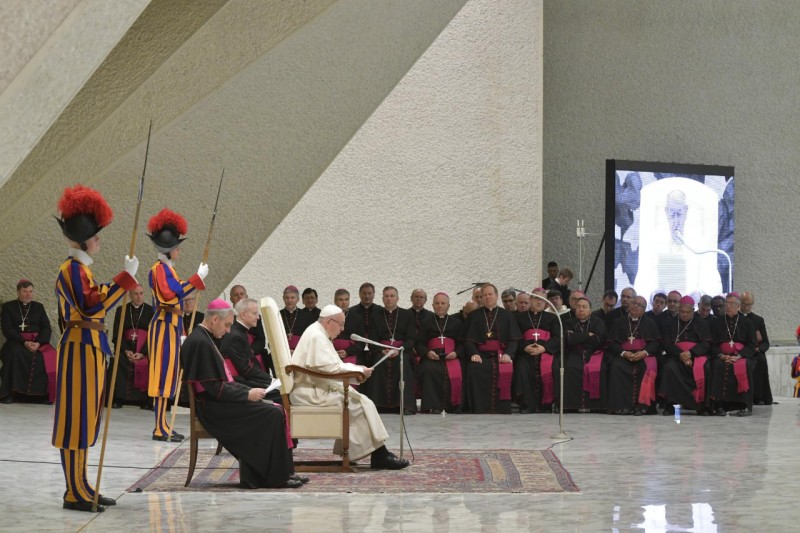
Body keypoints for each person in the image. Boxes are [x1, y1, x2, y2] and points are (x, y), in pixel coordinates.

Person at [53, 184, 139, 512]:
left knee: (87, 420)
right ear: (84, 239)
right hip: (79, 348)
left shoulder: (81, 269)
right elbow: (92, 304)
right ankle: (73, 491)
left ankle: (82, 485)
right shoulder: (71, 270)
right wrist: (124, 279)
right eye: (95, 235)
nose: (99, 240)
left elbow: (95, 297)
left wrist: (122, 280)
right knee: (76, 420)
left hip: (89, 347)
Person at [181, 299, 304, 488]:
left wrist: (248, 391)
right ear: (215, 319)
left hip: (219, 402)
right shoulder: (200, 342)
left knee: (276, 410)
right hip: (213, 409)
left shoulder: (205, 338)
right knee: (272, 413)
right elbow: (214, 388)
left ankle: (283, 473)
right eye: (227, 325)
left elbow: (223, 383)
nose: (228, 330)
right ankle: (272, 477)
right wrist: (247, 395)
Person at [289, 305, 409, 469]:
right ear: (329, 322)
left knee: (362, 401)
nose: (342, 329)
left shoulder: (317, 332)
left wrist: (358, 370)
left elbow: (329, 366)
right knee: (359, 404)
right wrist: (359, 371)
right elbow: (329, 368)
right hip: (310, 392)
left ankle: (379, 454)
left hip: (315, 386)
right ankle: (379, 455)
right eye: (340, 324)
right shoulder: (317, 336)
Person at [146, 208, 208, 442]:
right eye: (177, 247)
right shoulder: (159, 270)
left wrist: (196, 281)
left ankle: (163, 424)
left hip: (172, 324)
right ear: (169, 249)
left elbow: (181, 288)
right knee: (162, 376)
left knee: (169, 376)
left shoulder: (168, 269)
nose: (179, 250)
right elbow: (172, 292)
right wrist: (197, 278)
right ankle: (159, 427)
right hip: (163, 325)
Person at [462, 284, 521, 414]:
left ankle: (502, 408)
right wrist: (473, 353)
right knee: (473, 368)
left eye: (490, 294)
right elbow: (468, 340)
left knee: (507, 368)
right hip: (481, 355)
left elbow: (514, 340)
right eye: (484, 295)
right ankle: (479, 407)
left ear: (496, 296)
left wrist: (508, 354)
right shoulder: (474, 316)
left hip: (501, 354)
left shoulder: (507, 315)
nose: (488, 297)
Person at [0, 279, 56, 404]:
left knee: (51, 355)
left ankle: (42, 395)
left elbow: (46, 328)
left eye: (30, 291)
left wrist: (39, 342)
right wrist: (23, 342)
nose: (28, 294)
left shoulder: (39, 307)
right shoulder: (8, 307)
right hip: (16, 342)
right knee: (15, 353)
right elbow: (7, 328)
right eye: (25, 291)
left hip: (37, 342)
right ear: (18, 292)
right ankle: (10, 394)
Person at [362, 286, 416, 413]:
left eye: (392, 296)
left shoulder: (407, 315)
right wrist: (382, 350)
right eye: (386, 296)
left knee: (403, 363)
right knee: (378, 361)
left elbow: (411, 339)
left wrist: (399, 350)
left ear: (397, 298)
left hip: (401, 351)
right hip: (382, 351)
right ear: (382, 299)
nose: (389, 299)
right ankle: (378, 405)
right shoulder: (375, 316)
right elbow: (372, 339)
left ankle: (404, 405)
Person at [605, 296, 661, 415]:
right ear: (629, 305)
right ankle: (621, 406)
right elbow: (611, 343)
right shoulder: (619, 322)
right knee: (616, 367)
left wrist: (644, 352)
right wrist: (623, 353)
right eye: (634, 303)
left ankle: (642, 407)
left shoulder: (650, 323)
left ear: (644, 309)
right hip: (623, 355)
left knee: (646, 368)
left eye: (639, 305)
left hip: (643, 356)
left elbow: (656, 343)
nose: (636, 306)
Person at [658, 296, 712, 415]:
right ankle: (671, 405)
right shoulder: (669, 323)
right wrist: (680, 355)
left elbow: (706, 343)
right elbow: (666, 343)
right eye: (682, 311)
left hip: (696, 356)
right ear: (678, 309)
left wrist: (690, 354)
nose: (684, 314)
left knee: (706, 368)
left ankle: (702, 406)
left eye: (687, 312)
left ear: (693, 311)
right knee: (669, 367)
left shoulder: (702, 323)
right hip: (675, 356)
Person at [708, 293, 757, 417]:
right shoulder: (716, 322)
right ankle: (719, 406)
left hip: (741, 356)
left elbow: (751, 345)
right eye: (727, 303)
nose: (728, 306)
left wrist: (739, 355)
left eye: (732, 303)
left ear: (738, 306)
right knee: (717, 365)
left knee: (745, 365)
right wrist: (721, 355)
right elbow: (712, 344)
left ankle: (744, 405)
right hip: (722, 356)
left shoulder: (747, 322)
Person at [513, 288, 561, 413]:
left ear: (546, 303)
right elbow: (514, 337)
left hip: (546, 353)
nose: (539, 302)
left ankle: (548, 404)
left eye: (542, 300)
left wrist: (544, 348)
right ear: (530, 299)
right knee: (521, 367)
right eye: (536, 298)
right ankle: (526, 405)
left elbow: (558, 338)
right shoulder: (519, 318)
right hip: (525, 354)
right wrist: (524, 347)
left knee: (555, 367)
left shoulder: (552, 318)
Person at [415, 292, 464, 413]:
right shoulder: (426, 322)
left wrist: (456, 353)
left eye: (443, 303)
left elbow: (462, 343)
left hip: (451, 356)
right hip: (432, 357)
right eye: (437, 303)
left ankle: (454, 406)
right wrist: (427, 352)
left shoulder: (457, 323)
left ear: (448, 305)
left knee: (461, 369)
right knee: (428, 369)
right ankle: (433, 406)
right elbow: (419, 343)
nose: (440, 306)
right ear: (432, 306)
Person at [110, 284, 154, 409]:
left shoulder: (151, 311)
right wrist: (125, 350)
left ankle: (144, 400)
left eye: (141, 293)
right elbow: (117, 334)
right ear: (130, 295)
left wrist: (143, 352)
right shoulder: (121, 310)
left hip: (144, 349)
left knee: (149, 363)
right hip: (126, 348)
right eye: (136, 294)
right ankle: (118, 398)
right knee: (118, 361)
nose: (139, 296)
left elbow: (153, 335)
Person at [559, 297, 607, 411]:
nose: (581, 309)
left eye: (584, 307)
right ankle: (572, 406)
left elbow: (599, 340)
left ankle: (596, 406)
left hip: (594, 353)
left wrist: (578, 337)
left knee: (602, 368)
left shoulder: (598, 322)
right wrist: (588, 335)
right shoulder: (569, 322)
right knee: (571, 368)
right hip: (575, 352)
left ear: (590, 310)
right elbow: (569, 339)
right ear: (575, 310)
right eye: (578, 307)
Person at [220, 299, 276, 391]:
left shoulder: (239, 332)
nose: (258, 317)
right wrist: (271, 380)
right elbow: (246, 369)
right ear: (243, 315)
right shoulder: (235, 336)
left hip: (245, 379)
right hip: (240, 384)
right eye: (254, 314)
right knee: (280, 392)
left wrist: (270, 379)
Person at [740, 291, 772, 405]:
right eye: (743, 304)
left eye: (748, 304)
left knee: (761, 360)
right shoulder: (735, 318)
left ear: (753, 303)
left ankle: (758, 396)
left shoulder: (758, 320)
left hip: (755, 352)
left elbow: (765, 342)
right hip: (740, 352)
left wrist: (759, 349)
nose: (745, 307)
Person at [229, 284, 268, 372]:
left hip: (254, 354)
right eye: (235, 295)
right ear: (231, 299)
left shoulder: (255, 317)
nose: (239, 296)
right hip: (235, 356)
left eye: (242, 294)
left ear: (246, 297)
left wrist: (250, 351)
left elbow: (261, 340)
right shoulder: (228, 317)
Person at [348, 283, 383, 363]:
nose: (367, 296)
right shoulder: (351, 311)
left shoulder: (381, 311)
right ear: (359, 294)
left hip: (376, 348)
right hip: (357, 347)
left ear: (374, 294)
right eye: (364, 293)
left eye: (370, 293)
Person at [280, 285, 308, 351]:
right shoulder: (278, 315)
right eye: (287, 297)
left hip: (301, 352)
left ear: (298, 299)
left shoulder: (306, 315)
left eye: (292, 298)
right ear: (283, 298)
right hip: (281, 351)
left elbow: (309, 337)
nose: (289, 300)